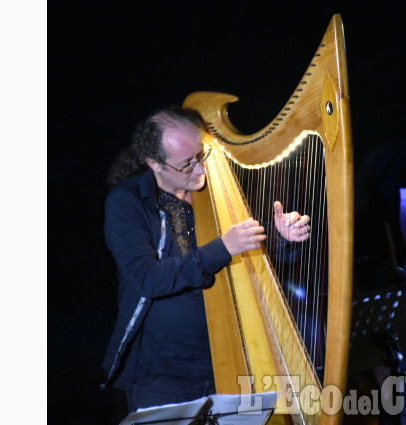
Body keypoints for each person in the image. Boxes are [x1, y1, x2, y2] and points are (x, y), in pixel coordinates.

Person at [101, 106, 311, 412]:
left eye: (202, 156)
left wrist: (281, 239)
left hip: (229, 359)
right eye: (187, 165)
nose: (200, 170)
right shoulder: (129, 201)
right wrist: (223, 247)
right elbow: (147, 278)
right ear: (154, 163)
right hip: (161, 376)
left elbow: (250, 267)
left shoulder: (217, 191)